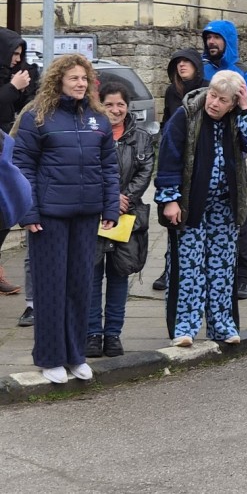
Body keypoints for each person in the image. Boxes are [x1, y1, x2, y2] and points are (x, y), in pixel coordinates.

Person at [13, 54, 119, 384]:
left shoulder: (98, 119)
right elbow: (23, 167)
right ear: (58, 80)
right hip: (49, 217)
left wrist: (110, 208)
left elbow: (109, 167)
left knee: (79, 287)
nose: (80, 83)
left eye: (84, 78)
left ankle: (75, 355)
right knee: (51, 289)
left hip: (86, 215)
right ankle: (50, 357)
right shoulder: (36, 116)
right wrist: (28, 212)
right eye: (74, 78)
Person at [155, 70, 247, 346]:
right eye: (213, 96)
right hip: (190, 205)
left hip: (225, 207)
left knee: (222, 268)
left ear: (233, 103)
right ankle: (185, 328)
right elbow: (168, 157)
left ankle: (222, 326)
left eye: (223, 100)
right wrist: (170, 199)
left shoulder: (237, 117)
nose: (215, 103)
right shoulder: (186, 115)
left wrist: (246, 108)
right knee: (189, 267)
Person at [86, 83, 155, 358]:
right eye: (109, 105)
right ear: (100, 105)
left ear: (128, 107)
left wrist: (124, 198)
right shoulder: (90, 133)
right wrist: (107, 199)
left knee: (119, 274)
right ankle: (92, 334)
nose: (115, 110)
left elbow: (145, 170)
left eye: (120, 105)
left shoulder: (141, 137)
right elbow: (85, 170)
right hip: (95, 215)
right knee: (92, 276)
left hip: (127, 216)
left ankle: (113, 334)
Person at [200, 20, 247, 300]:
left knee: (239, 215)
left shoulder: (244, 72)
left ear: (229, 40)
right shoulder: (200, 68)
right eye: (208, 37)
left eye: (217, 38)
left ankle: (245, 275)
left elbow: (244, 110)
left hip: (233, 152)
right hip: (201, 152)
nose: (211, 42)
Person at [153, 48, 209, 291]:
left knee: (199, 223)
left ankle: (199, 271)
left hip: (200, 160)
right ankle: (171, 268)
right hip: (176, 158)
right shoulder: (172, 91)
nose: (181, 65)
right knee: (175, 220)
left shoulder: (207, 89)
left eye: (187, 61)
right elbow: (168, 120)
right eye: (178, 62)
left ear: (197, 65)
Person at [0, 28, 39, 295]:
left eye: (20, 54)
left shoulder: (12, 73)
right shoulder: (8, 80)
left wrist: (25, 87)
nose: (16, 59)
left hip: (7, 147)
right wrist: (13, 87)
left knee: (9, 209)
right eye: (14, 53)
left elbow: (22, 107)